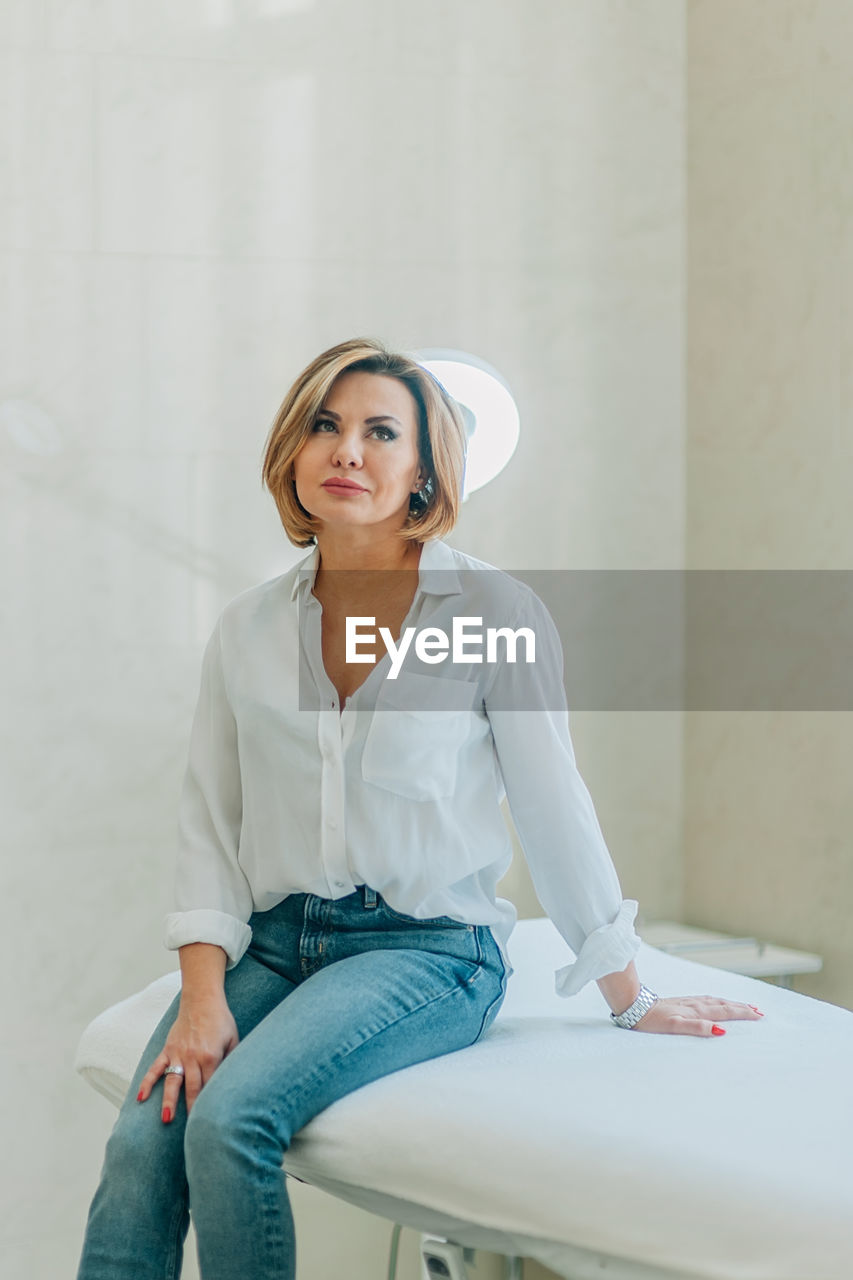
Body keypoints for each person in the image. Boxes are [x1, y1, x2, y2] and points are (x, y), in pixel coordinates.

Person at [76, 337, 764, 1280]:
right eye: (325, 425)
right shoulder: (245, 630)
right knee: (146, 1138)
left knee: (231, 1124)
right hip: (276, 940)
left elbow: (553, 804)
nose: (346, 450)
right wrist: (200, 999)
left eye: (379, 431)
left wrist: (626, 986)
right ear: (292, 451)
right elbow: (209, 823)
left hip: (426, 949)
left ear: (424, 470)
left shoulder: (494, 610)